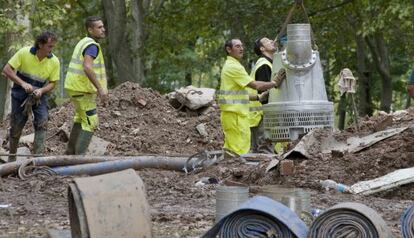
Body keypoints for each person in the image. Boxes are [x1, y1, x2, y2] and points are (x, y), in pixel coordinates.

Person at [217, 38, 285, 156]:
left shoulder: (233, 65)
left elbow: (237, 94)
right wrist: (274, 83)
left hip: (236, 115)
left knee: (234, 152)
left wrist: (258, 98)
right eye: (237, 46)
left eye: (242, 46)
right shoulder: (235, 67)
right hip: (237, 116)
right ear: (228, 49)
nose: (241, 48)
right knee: (239, 153)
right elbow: (256, 85)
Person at [2, 31, 60, 161]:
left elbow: (52, 83)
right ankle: (12, 159)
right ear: (40, 44)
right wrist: (22, 83)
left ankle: (38, 159)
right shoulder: (24, 52)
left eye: (53, 46)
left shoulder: (54, 61)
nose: (52, 49)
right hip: (19, 93)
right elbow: (6, 69)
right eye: (49, 46)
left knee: (42, 123)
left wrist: (42, 90)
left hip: (39, 95)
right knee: (16, 125)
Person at [64, 16, 108, 155]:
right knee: (91, 122)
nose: (103, 29)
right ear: (90, 29)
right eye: (99, 27)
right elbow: (87, 67)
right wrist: (100, 89)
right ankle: (79, 162)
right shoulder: (92, 46)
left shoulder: (83, 42)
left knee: (80, 118)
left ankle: (69, 154)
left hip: (75, 87)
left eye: (102, 26)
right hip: (83, 89)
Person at [248, 37, 284, 153]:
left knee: (259, 150)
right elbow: (264, 94)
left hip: (258, 114)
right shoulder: (264, 65)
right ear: (262, 48)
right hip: (261, 114)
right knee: (264, 149)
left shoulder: (268, 63)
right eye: (267, 41)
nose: (272, 41)